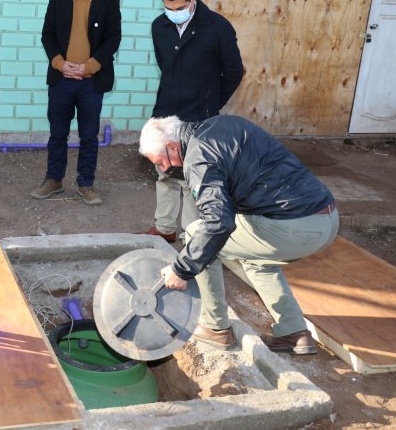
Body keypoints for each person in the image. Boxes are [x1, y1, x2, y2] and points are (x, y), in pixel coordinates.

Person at [139, 115, 339, 355]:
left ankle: (215, 327)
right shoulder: (222, 124)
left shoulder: (197, 157)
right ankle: (294, 332)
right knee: (256, 260)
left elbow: (217, 224)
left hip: (292, 227)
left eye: (161, 162)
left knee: (196, 235)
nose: (164, 169)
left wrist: (181, 269)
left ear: (173, 146)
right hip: (326, 219)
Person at [141, 0, 243, 241]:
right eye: (168, 8)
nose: (174, 12)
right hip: (166, 114)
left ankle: (190, 234)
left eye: (180, 7)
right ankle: (164, 228)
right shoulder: (159, 26)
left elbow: (234, 71)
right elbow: (166, 67)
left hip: (200, 116)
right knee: (165, 173)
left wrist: (212, 102)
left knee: (191, 179)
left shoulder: (217, 27)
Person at [30, 0, 122, 206]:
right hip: (61, 79)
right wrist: (60, 63)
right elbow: (47, 34)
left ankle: (86, 184)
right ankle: (54, 180)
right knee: (57, 132)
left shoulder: (109, 0)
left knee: (89, 135)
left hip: (92, 81)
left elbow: (113, 38)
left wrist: (90, 66)